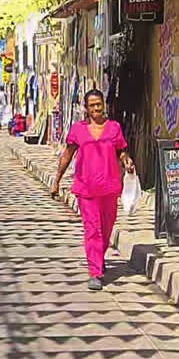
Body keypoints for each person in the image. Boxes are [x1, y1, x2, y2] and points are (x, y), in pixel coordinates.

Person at [51, 88, 135, 290]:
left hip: (109, 186)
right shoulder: (78, 130)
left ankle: (99, 256)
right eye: (92, 105)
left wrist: (127, 162)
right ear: (86, 108)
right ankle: (95, 272)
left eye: (99, 104)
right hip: (85, 187)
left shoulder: (114, 127)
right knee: (92, 230)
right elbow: (67, 155)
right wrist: (57, 180)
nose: (96, 108)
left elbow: (121, 151)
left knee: (106, 229)